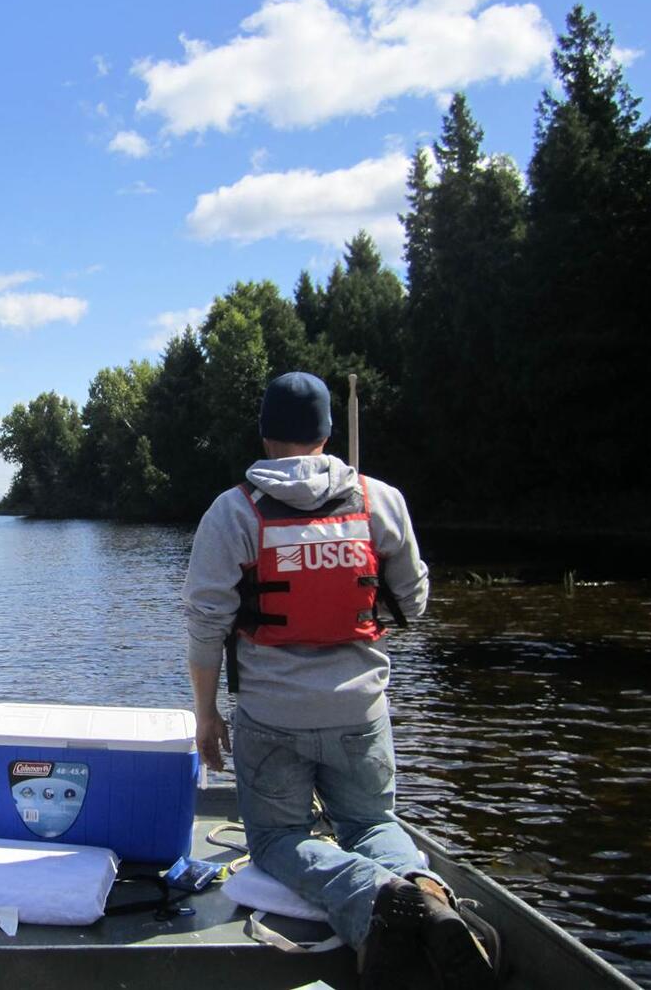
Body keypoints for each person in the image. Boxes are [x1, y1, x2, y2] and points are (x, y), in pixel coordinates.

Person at [183, 371, 497, 989]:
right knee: (375, 826)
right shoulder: (380, 499)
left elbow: (204, 622)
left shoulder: (232, 512)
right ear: (327, 432)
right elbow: (413, 602)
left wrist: (205, 713)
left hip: (272, 719)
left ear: (266, 435)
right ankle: (425, 890)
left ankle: (375, 897)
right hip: (361, 714)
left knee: (276, 841)